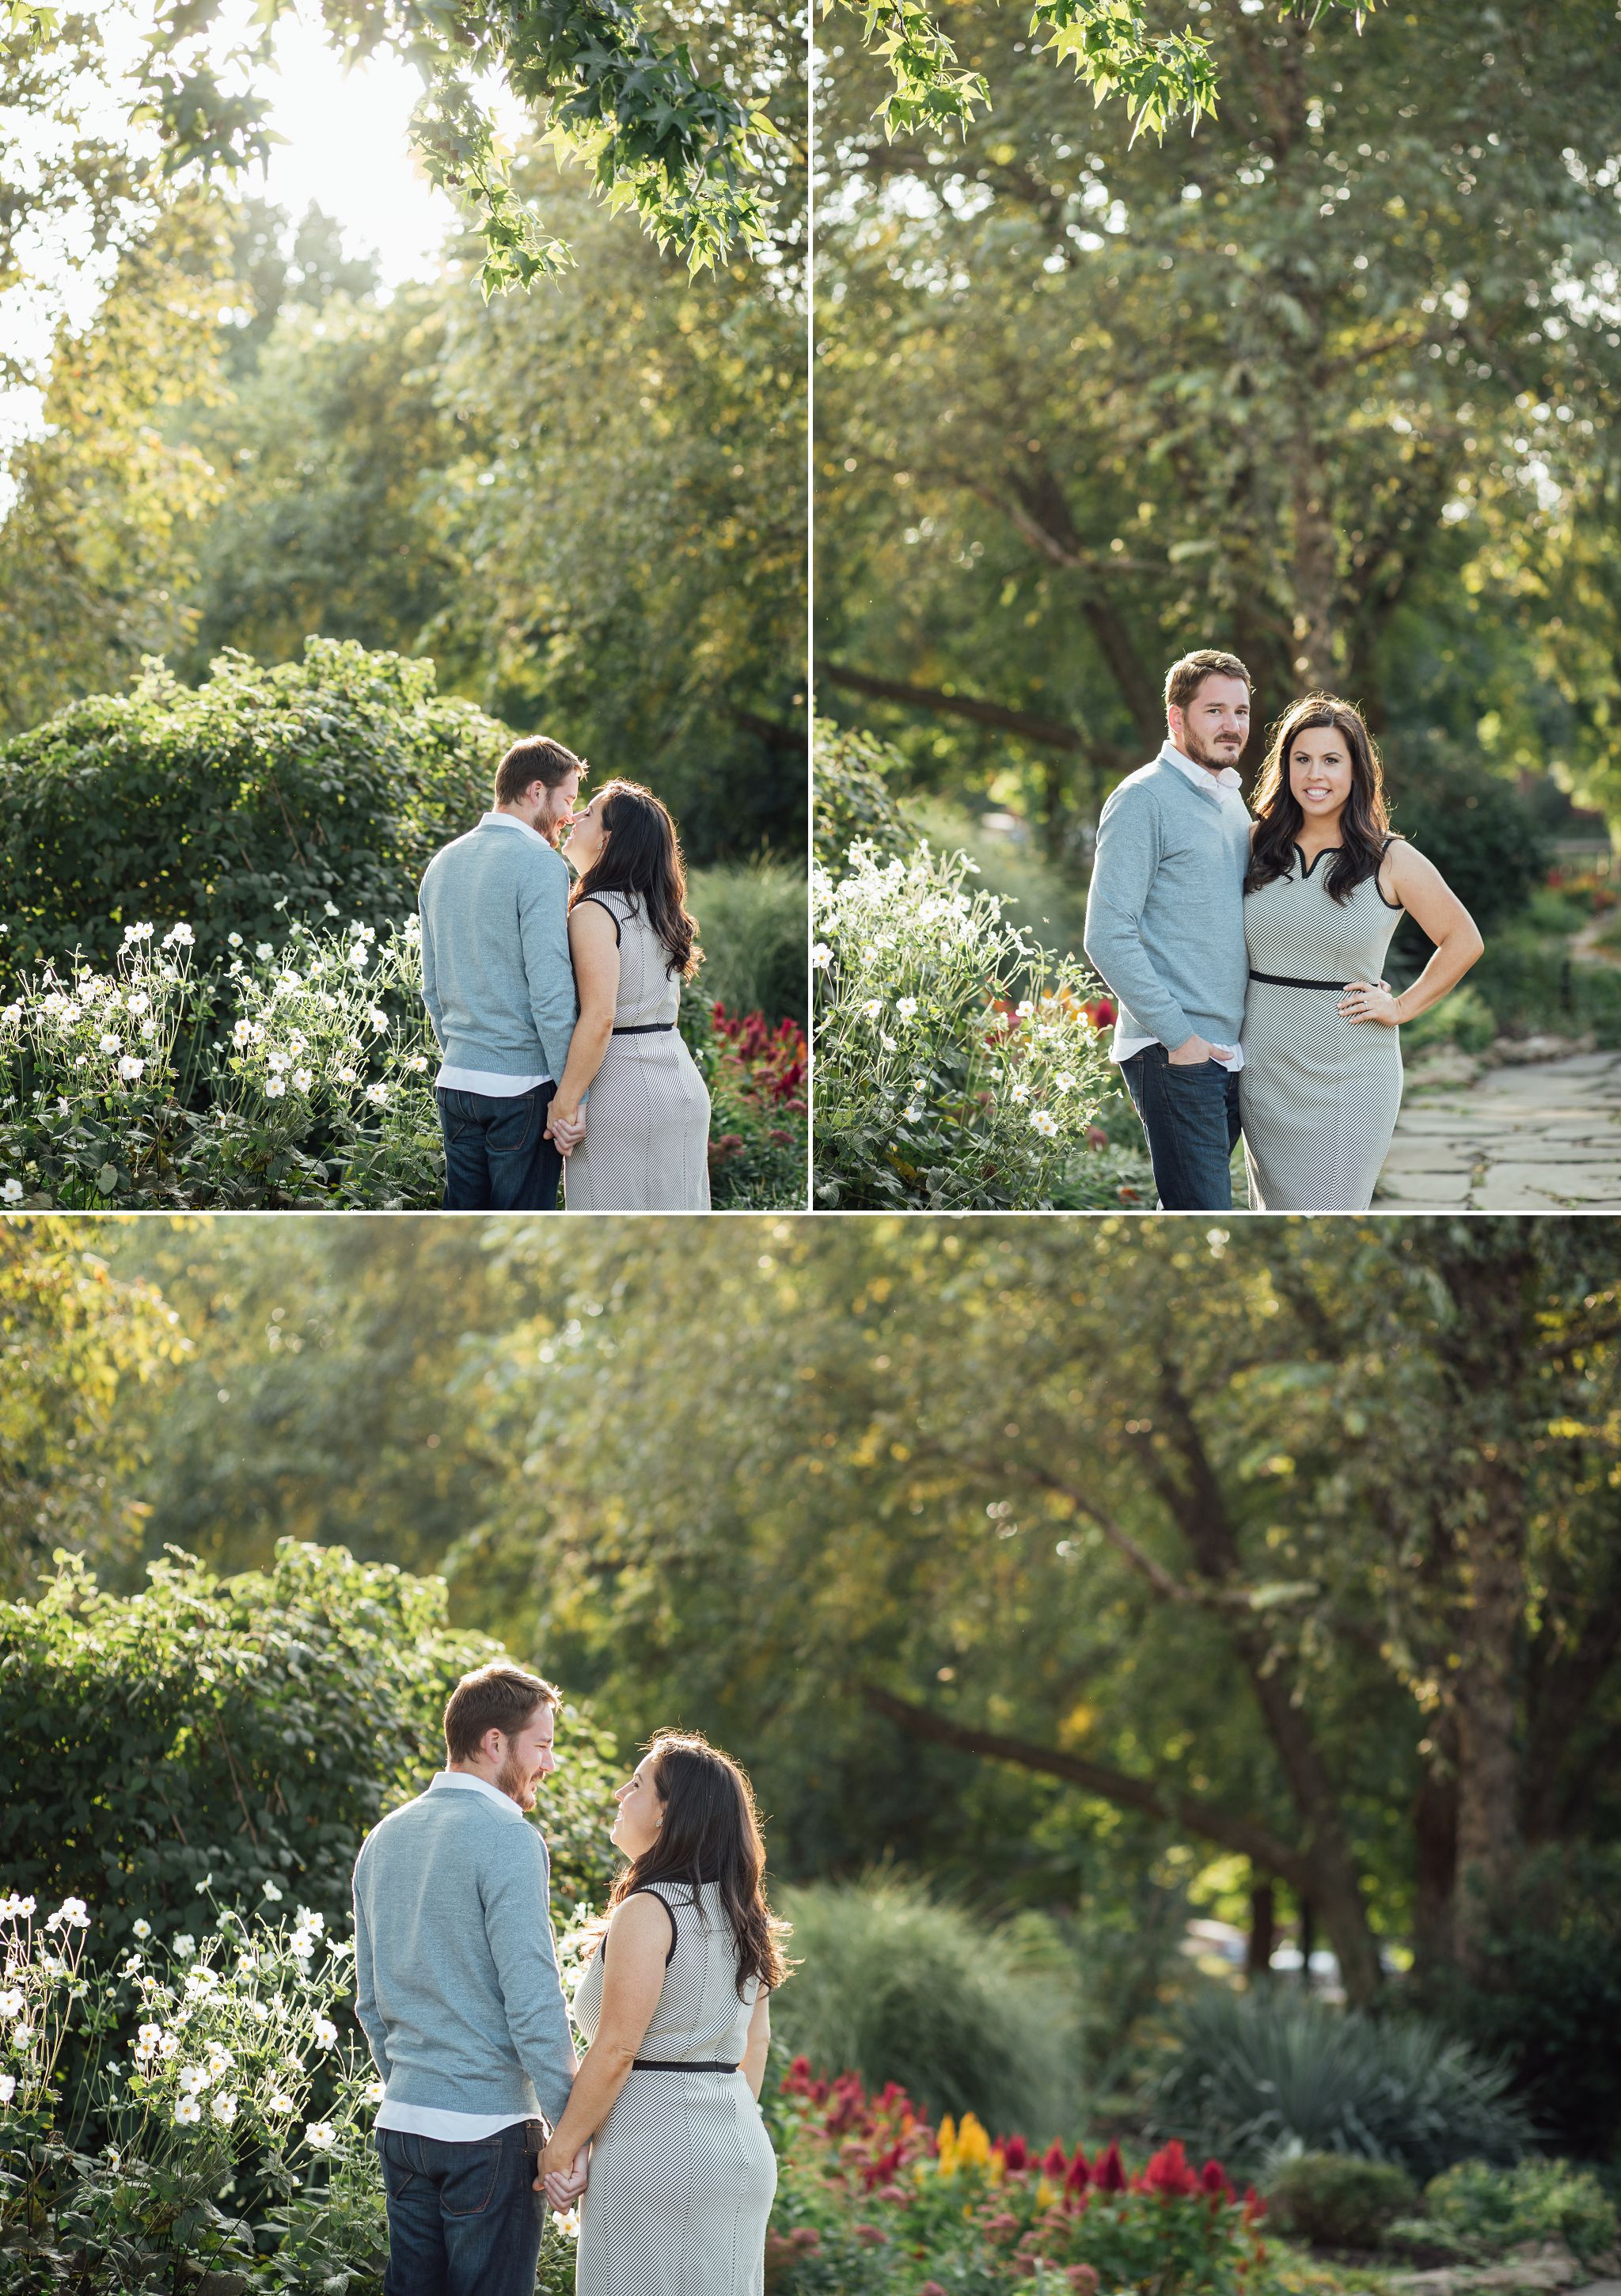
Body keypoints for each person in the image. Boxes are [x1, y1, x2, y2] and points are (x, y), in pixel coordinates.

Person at [352, 1664, 585, 2296]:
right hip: (488, 2134)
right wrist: (569, 2133)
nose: (549, 1764)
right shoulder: (509, 1837)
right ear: (494, 1742)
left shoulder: (384, 1837)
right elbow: (532, 2004)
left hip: (404, 2127)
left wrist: (414, 2087)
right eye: (542, 1746)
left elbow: (369, 2002)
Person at [536, 1732, 787, 2296]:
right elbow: (757, 2044)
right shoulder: (745, 1915)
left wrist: (562, 2148)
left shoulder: (650, 1910)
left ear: (667, 1813)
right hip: (740, 2147)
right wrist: (719, 2130)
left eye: (636, 1784)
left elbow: (618, 2049)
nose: (619, 1795)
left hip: (654, 2151)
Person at [1240, 694, 1484, 1211]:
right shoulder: (1253, 844)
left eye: (1331, 760)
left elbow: (1464, 940)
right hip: (1263, 1071)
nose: (1315, 774)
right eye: (1302, 759)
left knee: (1334, 1213)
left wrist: (1401, 1007)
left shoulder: (1390, 858)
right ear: (1285, 767)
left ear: (1356, 771)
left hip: (1352, 1075)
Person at [1083, 649, 1253, 1211]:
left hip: (1227, 1053)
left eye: (1241, 711)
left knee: (1185, 1207)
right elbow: (1107, 934)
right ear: (1177, 718)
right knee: (1203, 1212)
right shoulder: (1143, 799)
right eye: (1215, 711)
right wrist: (1180, 1040)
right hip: (1174, 1052)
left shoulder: (1230, 800)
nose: (1232, 725)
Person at [418, 736, 586, 1212]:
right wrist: (569, 1096)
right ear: (537, 791)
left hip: (457, 1084)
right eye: (568, 800)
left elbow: (431, 987)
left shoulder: (443, 862)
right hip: (523, 1089)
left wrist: (464, 1055)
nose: (570, 815)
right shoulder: (541, 864)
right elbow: (550, 992)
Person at [549, 780, 712, 1211]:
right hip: (680, 1085)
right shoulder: (659, 908)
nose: (573, 817)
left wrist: (564, 1104)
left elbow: (601, 1016)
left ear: (608, 839)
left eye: (588, 814)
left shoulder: (593, 911)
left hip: (622, 1093)